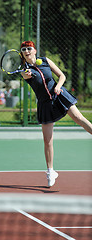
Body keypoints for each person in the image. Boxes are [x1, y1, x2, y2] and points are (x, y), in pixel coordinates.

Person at [20, 40, 92, 187]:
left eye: (29, 48)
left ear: (34, 50)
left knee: (79, 118)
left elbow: (62, 76)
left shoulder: (46, 61)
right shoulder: (24, 70)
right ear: (22, 54)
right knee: (48, 140)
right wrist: (26, 73)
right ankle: (50, 171)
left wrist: (58, 86)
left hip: (59, 95)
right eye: (23, 50)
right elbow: (26, 76)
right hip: (45, 104)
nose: (26, 51)